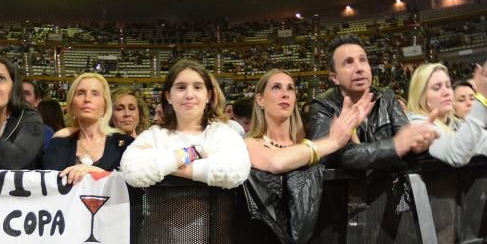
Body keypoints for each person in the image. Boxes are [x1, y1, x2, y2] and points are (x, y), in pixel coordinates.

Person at [305, 35, 438, 170]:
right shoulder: (323, 105)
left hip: (391, 187)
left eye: (363, 60)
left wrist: (419, 146)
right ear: (334, 78)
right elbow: (327, 156)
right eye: (348, 62)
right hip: (349, 190)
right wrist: (396, 146)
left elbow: (406, 143)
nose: (359, 68)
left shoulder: (386, 97)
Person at [121, 59, 250, 188]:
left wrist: (166, 164)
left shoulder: (224, 133)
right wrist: (196, 152)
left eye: (197, 87)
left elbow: (237, 172)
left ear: (208, 96)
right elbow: (132, 171)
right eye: (181, 87)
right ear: (168, 96)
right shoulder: (154, 134)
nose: (189, 95)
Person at [245, 69, 372, 174]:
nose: (285, 94)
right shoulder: (248, 144)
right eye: (276, 87)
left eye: (290, 88)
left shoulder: (309, 141)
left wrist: (351, 130)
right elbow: (275, 162)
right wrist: (333, 141)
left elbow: (361, 170)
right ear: (260, 99)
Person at [405, 60, 487, 167]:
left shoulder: (457, 124)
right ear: (420, 96)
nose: (446, 92)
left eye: (448, 85)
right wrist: (482, 100)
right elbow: (457, 155)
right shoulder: (416, 125)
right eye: (437, 88)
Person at [42, 73, 133, 184]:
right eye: (81, 93)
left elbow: (134, 186)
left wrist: (96, 172)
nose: (87, 99)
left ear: (104, 105)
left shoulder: (125, 144)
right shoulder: (59, 142)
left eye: (95, 94)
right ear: (72, 105)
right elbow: (49, 186)